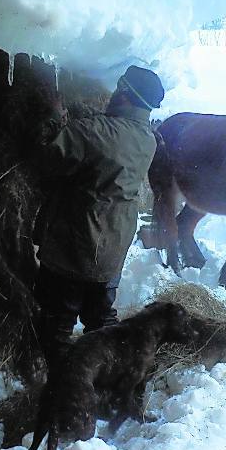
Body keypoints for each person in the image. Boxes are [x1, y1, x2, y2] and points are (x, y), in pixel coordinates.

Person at [33, 64, 165, 373]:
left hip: (74, 248)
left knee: (56, 327)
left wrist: (54, 117)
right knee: (101, 321)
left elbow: (44, 159)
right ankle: (110, 383)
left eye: (119, 89)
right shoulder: (147, 138)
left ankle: (67, 390)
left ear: (124, 94)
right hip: (111, 249)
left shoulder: (94, 131)